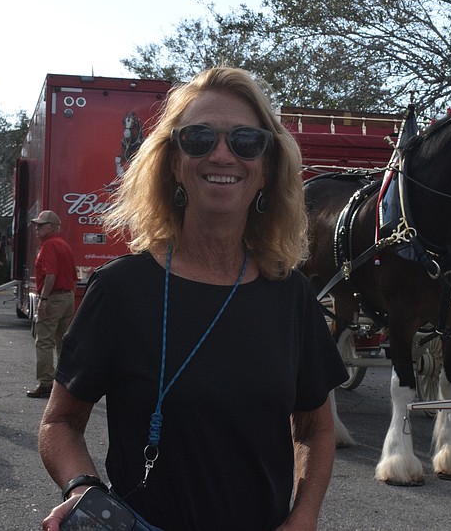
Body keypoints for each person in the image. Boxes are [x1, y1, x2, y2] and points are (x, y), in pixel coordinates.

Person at [39, 67, 348, 531]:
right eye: (199, 138)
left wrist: (304, 515)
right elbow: (59, 423)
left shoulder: (291, 296)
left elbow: (315, 428)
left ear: (266, 168)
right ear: (174, 163)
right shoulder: (120, 290)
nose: (223, 154)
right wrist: (83, 487)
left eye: (246, 141)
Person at [27, 210, 76, 399]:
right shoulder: (64, 245)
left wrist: (44, 299)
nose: (37, 228)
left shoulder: (49, 245)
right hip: (67, 297)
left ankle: (46, 383)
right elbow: (72, 276)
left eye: (41, 225)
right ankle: (65, 381)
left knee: (44, 340)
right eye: (37, 225)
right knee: (62, 341)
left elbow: (51, 275)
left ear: (51, 227)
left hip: (54, 298)